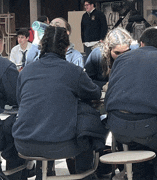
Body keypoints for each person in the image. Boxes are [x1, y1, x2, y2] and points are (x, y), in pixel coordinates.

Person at [12, 26, 106, 180]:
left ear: (41, 46)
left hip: (24, 143)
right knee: (86, 123)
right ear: (67, 48)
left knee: (40, 117)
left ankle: (42, 174)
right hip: (61, 145)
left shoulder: (26, 71)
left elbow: (20, 100)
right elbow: (95, 93)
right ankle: (84, 175)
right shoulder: (73, 71)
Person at [105, 27, 157, 180]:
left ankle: (139, 176)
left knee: (137, 145)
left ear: (141, 43)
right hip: (151, 128)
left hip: (118, 126)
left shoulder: (121, 59)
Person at [0, 29, 30, 180]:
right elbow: (17, 98)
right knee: (16, 127)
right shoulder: (5, 67)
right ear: (1, 44)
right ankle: (16, 172)